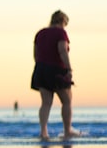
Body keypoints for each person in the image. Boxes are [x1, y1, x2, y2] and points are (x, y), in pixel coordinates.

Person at [31, 10, 77, 140]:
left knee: (45, 103)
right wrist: (68, 69)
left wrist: (41, 67)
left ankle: (43, 132)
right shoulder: (60, 33)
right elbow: (62, 51)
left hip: (41, 69)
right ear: (63, 21)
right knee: (66, 101)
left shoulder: (40, 33)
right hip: (56, 69)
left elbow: (35, 54)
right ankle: (67, 130)